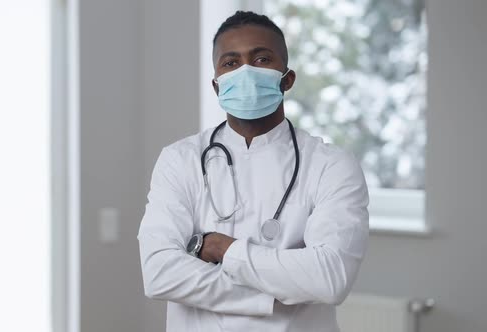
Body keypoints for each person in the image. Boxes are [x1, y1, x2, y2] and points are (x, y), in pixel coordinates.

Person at [138, 10, 369, 332]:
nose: (245, 71)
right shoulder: (180, 159)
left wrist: (222, 248)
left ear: (287, 78)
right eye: (231, 63)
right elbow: (160, 274)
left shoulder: (331, 164)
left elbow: (330, 278)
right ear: (218, 86)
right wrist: (273, 295)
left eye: (261, 59)